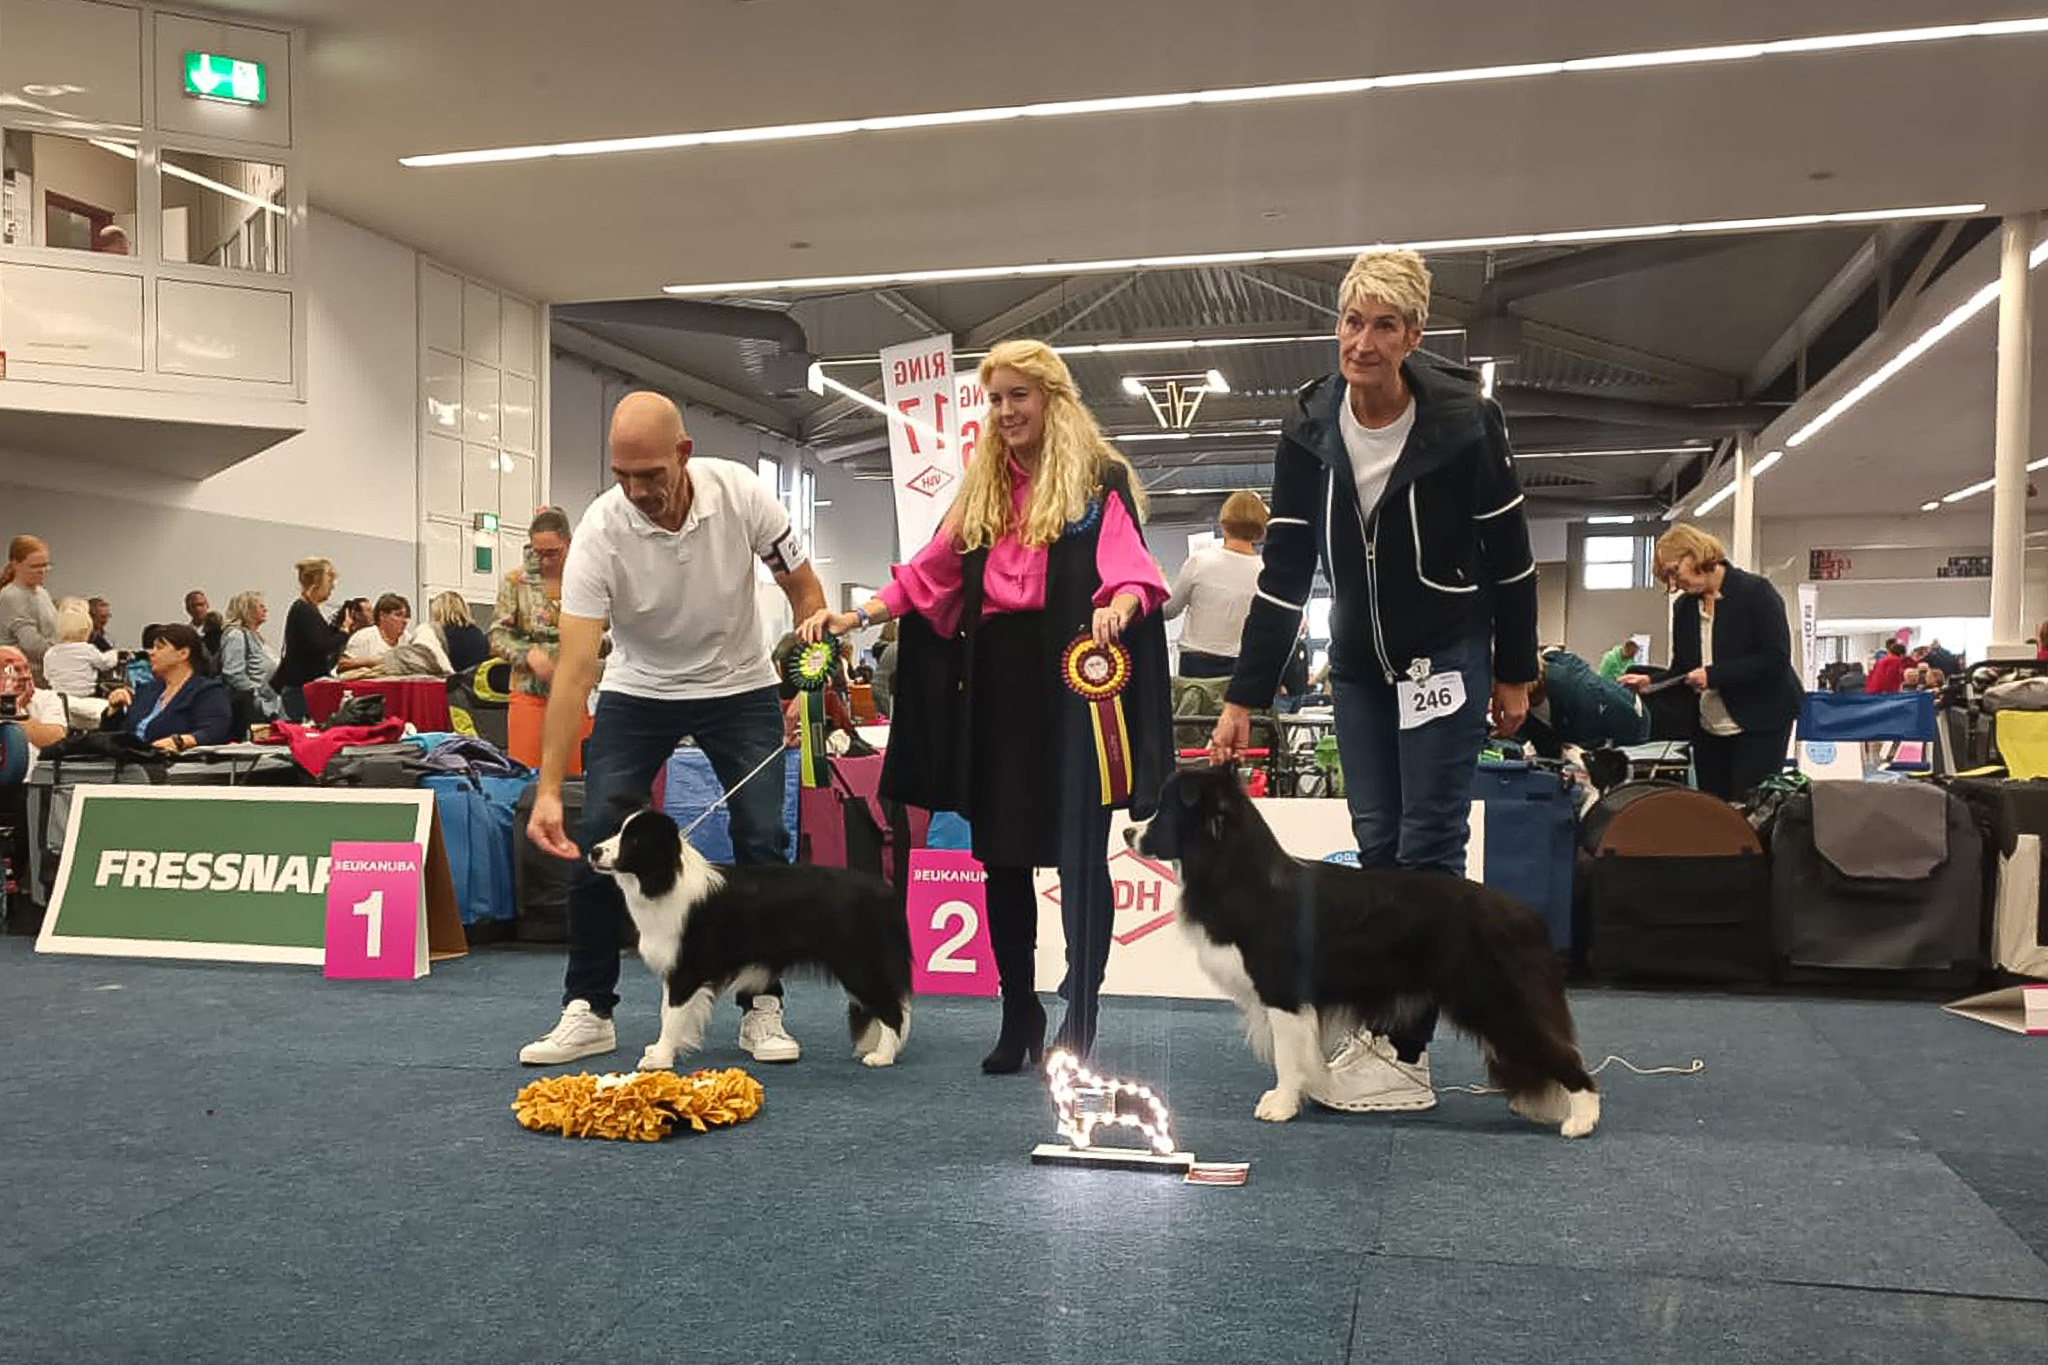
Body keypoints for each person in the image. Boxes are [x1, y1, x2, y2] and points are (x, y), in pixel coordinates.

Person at [1212, 248, 1539, 1115]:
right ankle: (1386, 1021)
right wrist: (1244, 694)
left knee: (1429, 851)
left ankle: (1407, 1048)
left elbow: (1510, 557)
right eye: (1352, 320)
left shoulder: (1468, 419)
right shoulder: (1309, 424)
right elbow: (1283, 571)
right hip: (1358, 666)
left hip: (1449, 654)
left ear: (1414, 335)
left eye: (1384, 325)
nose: (1362, 341)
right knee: (1378, 844)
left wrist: (1516, 669)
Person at [802, 339, 1173, 1070]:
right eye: (995, 399)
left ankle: (1083, 1013)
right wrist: (859, 615)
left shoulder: (1098, 483)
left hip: (1073, 681)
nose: (1005, 411)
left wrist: (1121, 606)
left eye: (1018, 397)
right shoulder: (981, 492)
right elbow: (929, 575)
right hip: (998, 685)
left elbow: (1133, 569)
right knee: (1001, 860)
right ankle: (1019, 1010)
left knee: (1079, 860)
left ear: (1052, 400)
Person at [520, 392, 828, 1068]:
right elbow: (573, 671)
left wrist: (803, 685)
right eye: (622, 475)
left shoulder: (743, 495)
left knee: (761, 837)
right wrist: (547, 790)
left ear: (684, 454)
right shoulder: (601, 531)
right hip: (638, 687)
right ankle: (589, 1007)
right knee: (597, 828)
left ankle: (762, 1006)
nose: (636, 491)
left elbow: (807, 591)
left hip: (739, 682)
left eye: (651, 474)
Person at [1623, 524, 1801, 803]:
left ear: (1693, 555)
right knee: (1712, 810)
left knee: (1749, 810)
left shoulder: (1756, 592)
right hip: (1709, 726)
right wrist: (1651, 683)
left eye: (1673, 571)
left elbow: (1776, 657)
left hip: (1761, 720)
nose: (1674, 583)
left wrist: (1714, 675)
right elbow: (1683, 669)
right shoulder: (1683, 609)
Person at [490, 508, 592, 772]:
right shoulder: (516, 581)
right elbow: (497, 635)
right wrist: (528, 655)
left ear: (568, 543)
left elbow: (608, 631)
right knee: (527, 781)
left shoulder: (587, 578)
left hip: (576, 696)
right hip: (529, 695)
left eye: (553, 553)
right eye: (538, 552)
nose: (544, 560)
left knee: (574, 783)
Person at [1165, 491, 1269, 717]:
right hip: (1243, 669)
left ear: (1224, 523)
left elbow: (1168, 611)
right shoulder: (1266, 572)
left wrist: (1157, 582)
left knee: (1193, 737)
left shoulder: (1200, 561)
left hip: (1196, 668)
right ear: (1262, 529)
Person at [101, 624, 233, 752]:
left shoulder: (208, 692)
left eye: (159, 647)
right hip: (130, 764)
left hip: (174, 766)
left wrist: (180, 741)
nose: (151, 653)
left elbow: (214, 731)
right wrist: (114, 711)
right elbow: (118, 735)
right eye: (152, 648)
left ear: (183, 653)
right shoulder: (147, 690)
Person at [273, 558, 351, 721]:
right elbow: (320, 646)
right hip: (300, 690)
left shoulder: (308, 609)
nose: (333, 586)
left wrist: (336, 629)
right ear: (318, 582)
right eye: (329, 581)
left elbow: (318, 639)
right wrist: (343, 633)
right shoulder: (303, 610)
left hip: (304, 688)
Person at [339, 594, 450, 676]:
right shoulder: (364, 637)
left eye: (406, 616)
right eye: (398, 615)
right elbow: (342, 665)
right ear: (382, 615)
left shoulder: (407, 638)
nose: (405, 621)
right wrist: (374, 661)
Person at [219, 591, 282, 735]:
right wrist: (254, 696)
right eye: (261, 606)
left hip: (266, 706)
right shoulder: (236, 635)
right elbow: (233, 672)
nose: (265, 609)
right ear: (248, 609)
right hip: (252, 708)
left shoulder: (255, 635)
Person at [0, 536, 59, 685]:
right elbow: (31, 644)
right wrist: (64, 657)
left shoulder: (42, 593)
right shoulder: (11, 596)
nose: (42, 571)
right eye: (34, 566)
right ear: (15, 564)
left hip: (46, 677)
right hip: (21, 681)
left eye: (45, 565)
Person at [41, 599, 116, 704]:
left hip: (60, 701)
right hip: (86, 699)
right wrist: (114, 654)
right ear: (86, 629)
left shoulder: (50, 652)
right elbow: (105, 663)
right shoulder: (87, 649)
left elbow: (47, 676)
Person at [430, 592, 491, 675]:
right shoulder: (478, 633)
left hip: (453, 684)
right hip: (476, 684)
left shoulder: (440, 636)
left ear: (438, 612)